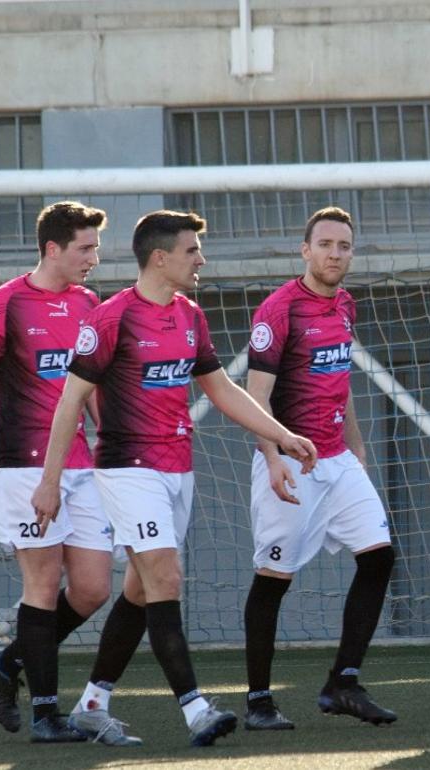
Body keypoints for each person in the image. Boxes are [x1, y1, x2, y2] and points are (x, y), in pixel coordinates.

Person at [30, 209, 316, 748]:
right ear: (160, 258)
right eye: (192, 251)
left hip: (177, 472)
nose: (201, 260)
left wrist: (281, 435)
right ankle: (196, 710)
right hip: (126, 470)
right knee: (166, 579)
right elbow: (70, 402)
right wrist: (49, 481)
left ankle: (92, 704)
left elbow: (222, 390)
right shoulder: (110, 319)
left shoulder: (190, 314)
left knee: (141, 591)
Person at [0, 201, 140, 745]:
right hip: (21, 469)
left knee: (92, 588)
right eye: (85, 248)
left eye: (96, 248)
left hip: (81, 466)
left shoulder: (88, 302)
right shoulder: (2, 304)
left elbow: (93, 384)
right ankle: (46, 714)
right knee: (42, 581)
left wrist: (112, 447)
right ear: (52, 248)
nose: (94, 259)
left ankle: (7, 662)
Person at [242, 207, 397, 730]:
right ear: (305, 250)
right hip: (288, 463)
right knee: (274, 579)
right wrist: (272, 459)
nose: (335, 253)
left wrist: (356, 444)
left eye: (344, 246)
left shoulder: (346, 305)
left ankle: (343, 682)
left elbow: (340, 377)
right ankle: (260, 701)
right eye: (325, 244)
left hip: (337, 460)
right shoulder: (278, 310)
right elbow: (254, 398)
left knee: (378, 558)